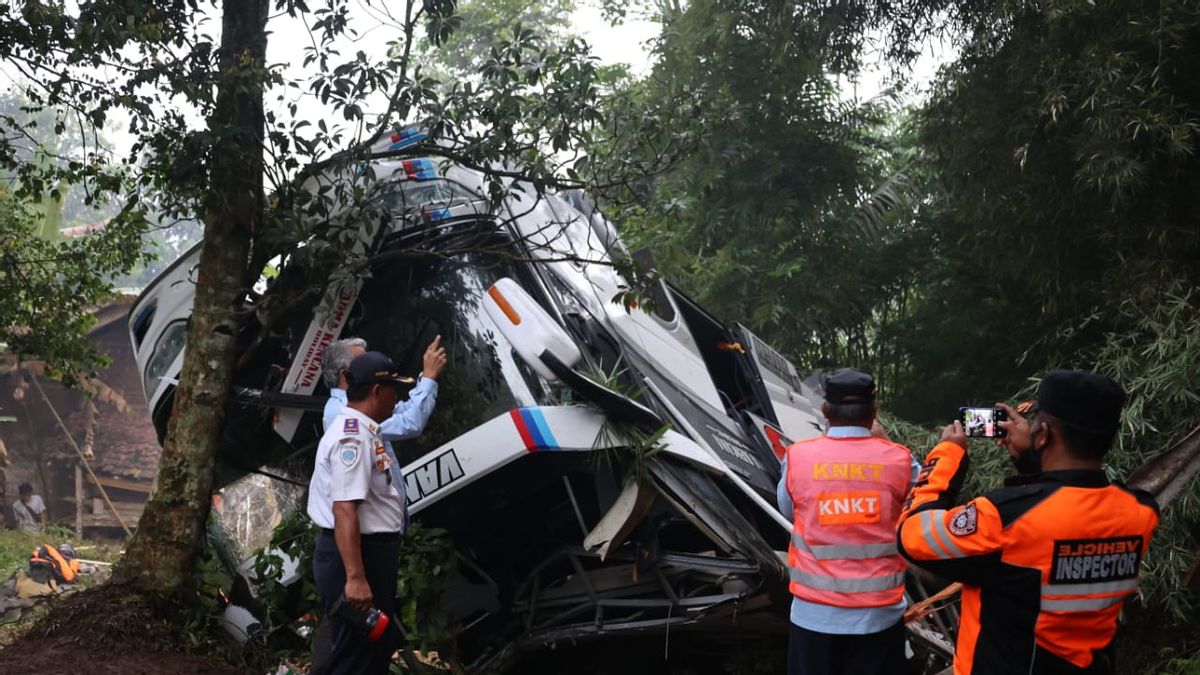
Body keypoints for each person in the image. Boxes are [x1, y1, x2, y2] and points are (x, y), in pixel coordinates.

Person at [897, 370, 1160, 674]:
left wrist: (947, 454)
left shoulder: (1004, 518)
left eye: (1035, 423)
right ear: (1111, 438)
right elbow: (1064, 515)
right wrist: (1033, 462)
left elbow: (912, 535)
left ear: (1044, 434)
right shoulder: (1141, 512)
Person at [310, 337, 446, 670]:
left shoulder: (366, 428)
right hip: (358, 556)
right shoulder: (353, 435)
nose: (396, 398)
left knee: (369, 652)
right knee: (353, 659)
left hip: (370, 553)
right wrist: (356, 577)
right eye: (392, 390)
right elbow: (344, 508)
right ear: (376, 392)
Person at [777, 368, 920, 675]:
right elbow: (919, 512)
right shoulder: (900, 461)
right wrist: (887, 444)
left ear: (825, 410)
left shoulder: (797, 458)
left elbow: (790, 511)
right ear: (874, 411)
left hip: (812, 618)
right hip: (878, 619)